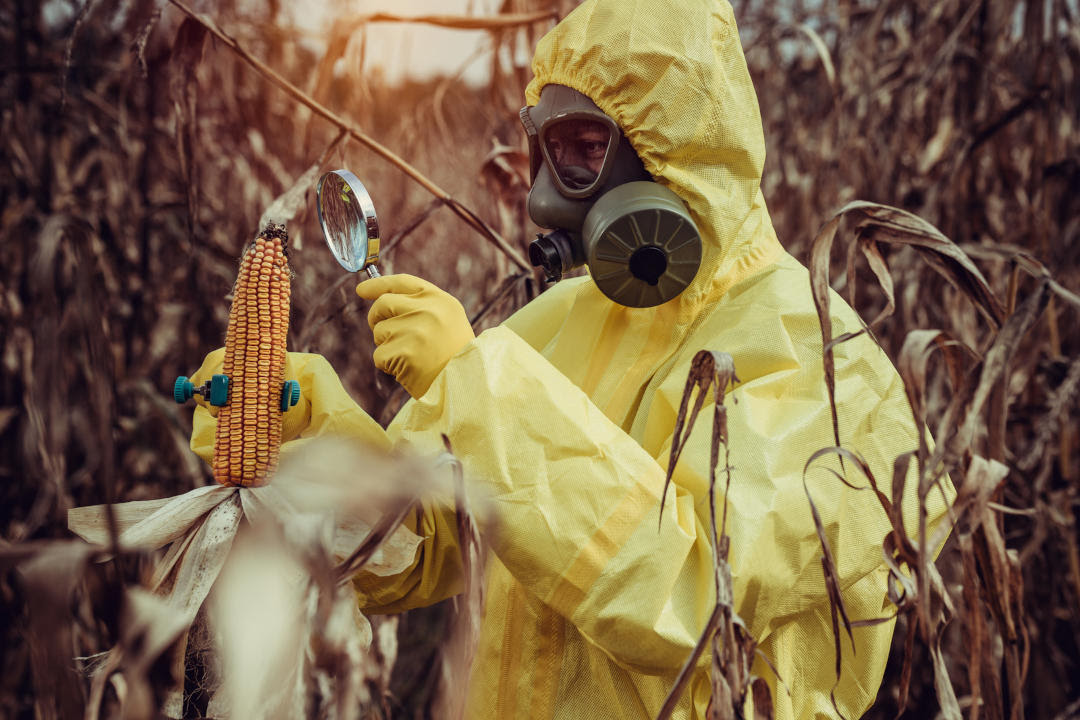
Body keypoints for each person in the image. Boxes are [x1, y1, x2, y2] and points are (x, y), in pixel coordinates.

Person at [192, 0, 950, 717]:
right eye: (555, 151)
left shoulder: (823, 360)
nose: (554, 194)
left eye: (591, 151)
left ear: (684, 150)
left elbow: (691, 594)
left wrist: (480, 392)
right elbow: (416, 550)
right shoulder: (558, 322)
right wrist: (306, 428)